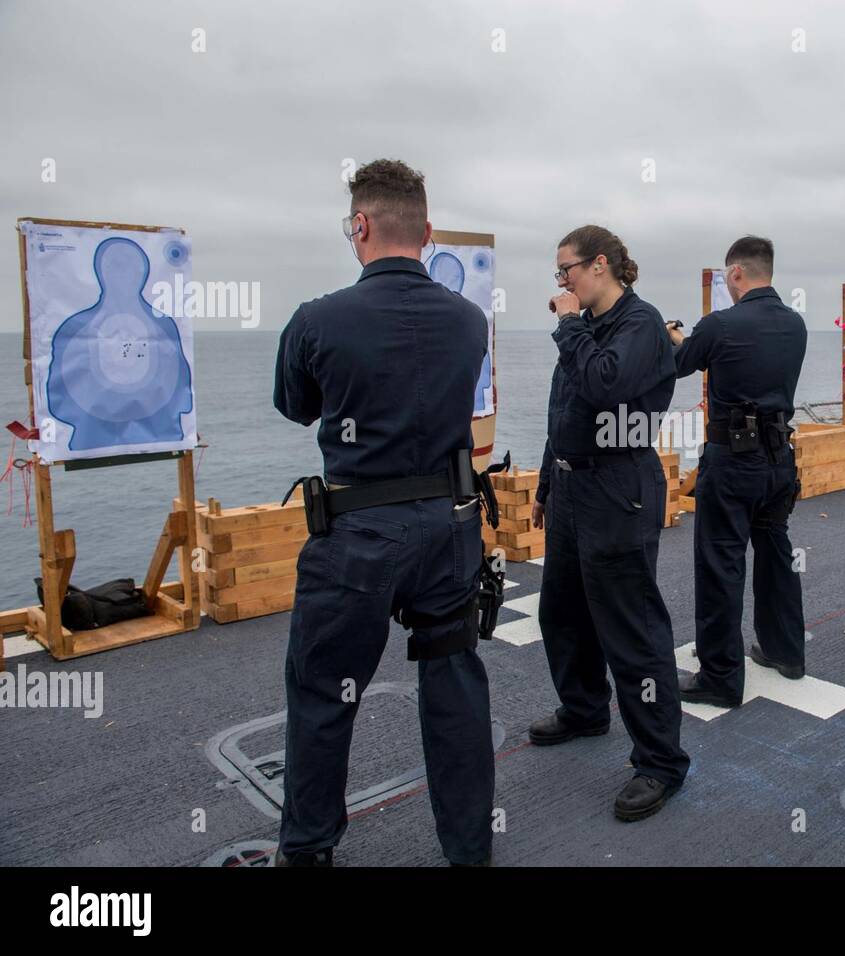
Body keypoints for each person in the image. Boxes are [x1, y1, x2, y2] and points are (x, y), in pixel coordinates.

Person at [273, 159, 494, 866]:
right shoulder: (467, 320)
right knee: (454, 683)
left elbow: (296, 405)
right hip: (449, 531)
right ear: (426, 232)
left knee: (323, 695)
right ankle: (468, 850)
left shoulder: (318, 319)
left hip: (359, 538)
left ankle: (307, 850)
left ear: (360, 225)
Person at [529, 225, 690, 821]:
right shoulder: (589, 330)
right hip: (573, 484)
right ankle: (585, 708)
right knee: (562, 609)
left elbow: (606, 387)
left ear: (600, 265)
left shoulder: (639, 325)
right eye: (559, 276)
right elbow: (563, 412)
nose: (562, 283)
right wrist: (548, 482)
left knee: (631, 627)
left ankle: (661, 761)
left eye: (566, 270)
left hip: (619, 486)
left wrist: (569, 324)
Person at [667, 236, 808, 707]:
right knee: (775, 554)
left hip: (733, 461)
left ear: (735, 274)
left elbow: (679, 364)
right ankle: (786, 651)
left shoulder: (719, 325)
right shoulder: (796, 325)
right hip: (779, 459)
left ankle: (721, 678)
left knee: (720, 565)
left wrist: (673, 338)